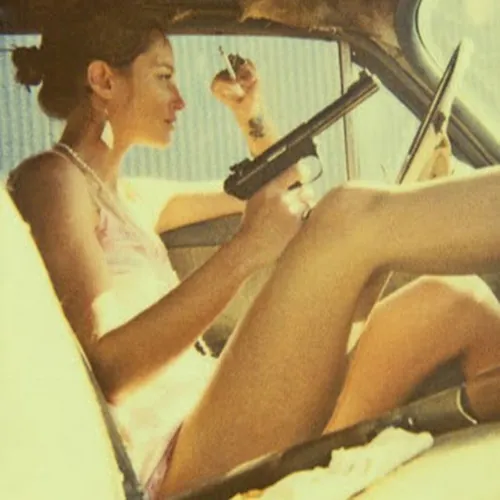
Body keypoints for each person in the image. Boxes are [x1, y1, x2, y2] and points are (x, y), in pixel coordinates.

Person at [7, 4, 500, 497]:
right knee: (347, 216)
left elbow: (287, 186)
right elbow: (109, 368)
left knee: (452, 299)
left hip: (221, 418)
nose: (180, 100)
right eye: (164, 77)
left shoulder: (135, 196)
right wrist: (247, 248)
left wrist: (251, 115)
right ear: (103, 80)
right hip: (179, 465)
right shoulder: (52, 179)